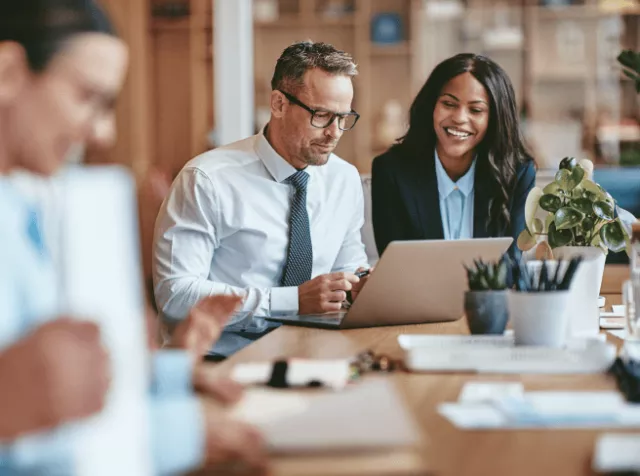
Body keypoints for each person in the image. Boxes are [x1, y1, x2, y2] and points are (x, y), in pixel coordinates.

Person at [0, 0, 265, 474]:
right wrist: (183, 433)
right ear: (8, 72)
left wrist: (169, 372)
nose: (104, 132)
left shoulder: (30, 206)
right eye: (87, 97)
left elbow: (59, 387)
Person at [154, 41, 371, 358]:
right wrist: (291, 301)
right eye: (322, 115)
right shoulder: (207, 179)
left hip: (314, 354)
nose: (335, 132)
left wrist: (362, 285)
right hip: (221, 360)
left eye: (344, 117)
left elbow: (348, 266)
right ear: (279, 104)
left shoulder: (344, 178)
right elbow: (175, 296)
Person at [371, 53, 536, 258]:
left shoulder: (517, 173)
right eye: (449, 104)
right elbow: (395, 266)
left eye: (475, 110)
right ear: (432, 105)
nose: (459, 118)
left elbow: (511, 267)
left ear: (494, 119)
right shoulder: (391, 172)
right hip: (418, 291)